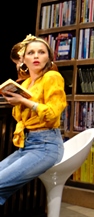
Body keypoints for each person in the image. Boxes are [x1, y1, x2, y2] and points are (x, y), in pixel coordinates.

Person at [0, 34, 67, 204]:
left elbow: (52, 113)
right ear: (23, 59)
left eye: (41, 52)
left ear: (49, 57)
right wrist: (15, 101)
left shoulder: (52, 77)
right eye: (31, 53)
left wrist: (24, 101)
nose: (36, 56)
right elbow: (20, 117)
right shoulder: (25, 83)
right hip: (27, 144)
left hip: (46, 145)